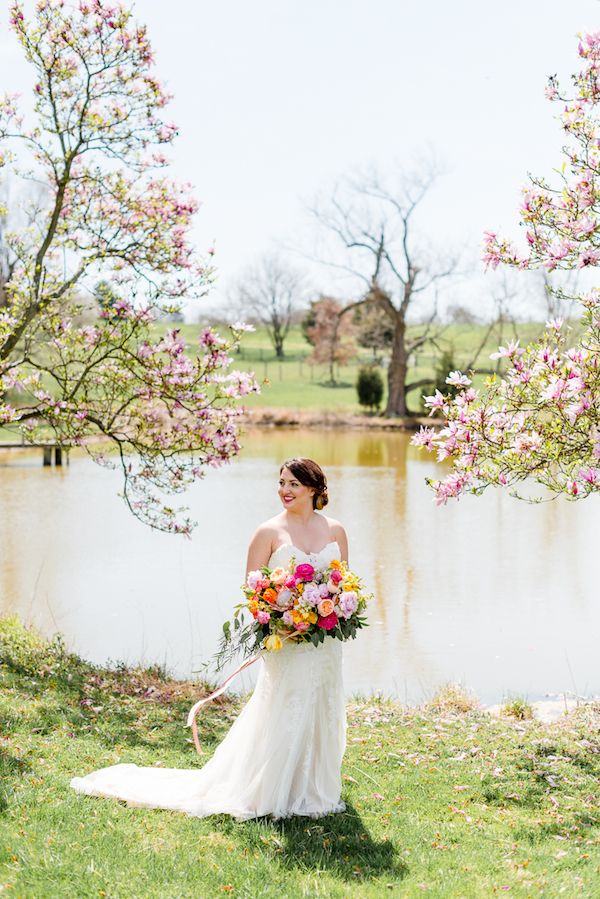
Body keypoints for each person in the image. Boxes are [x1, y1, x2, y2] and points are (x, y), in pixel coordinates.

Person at [70, 457, 348, 820]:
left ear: (313, 488)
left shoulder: (336, 530)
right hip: (286, 641)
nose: (284, 490)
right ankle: (271, 788)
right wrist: (283, 622)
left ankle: (314, 787)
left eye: (293, 484)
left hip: (324, 642)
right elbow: (254, 593)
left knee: (321, 705)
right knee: (285, 705)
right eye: (281, 482)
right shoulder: (268, 533)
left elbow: (343, 586)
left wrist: (329, 612)